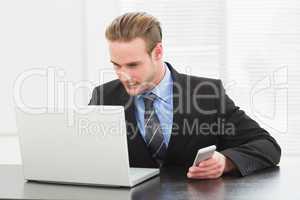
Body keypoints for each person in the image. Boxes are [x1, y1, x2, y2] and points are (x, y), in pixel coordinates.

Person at [89, 12, 281, 179]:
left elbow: (267, 146)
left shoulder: (207, 94)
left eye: (133, 65)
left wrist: (226, 161)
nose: (124, 75)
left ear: (157, 52)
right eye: (116, 65)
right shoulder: (104, 97)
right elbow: (86, 157)